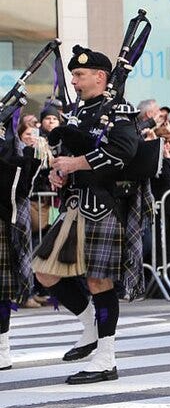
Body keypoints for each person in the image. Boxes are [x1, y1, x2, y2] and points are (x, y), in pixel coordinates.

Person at [32, 45, 148, 383]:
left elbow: (123, 152)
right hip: (75, 205)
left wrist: (76, 163)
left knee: (100, 281)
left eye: (80, 75)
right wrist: (60, 172)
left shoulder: (120, 111)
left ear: (100, 76)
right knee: (45, 273)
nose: (74, 80)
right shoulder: (79, 113)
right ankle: (91, 328)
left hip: (104, 205)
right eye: (73, 75)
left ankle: (106, 359)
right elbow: (69, 152)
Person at [0, 115, 41, 367]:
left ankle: (2, 347)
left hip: (2, 220)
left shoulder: (9, 145)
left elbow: (21, 185)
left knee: (1, 291)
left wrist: (30, 155)